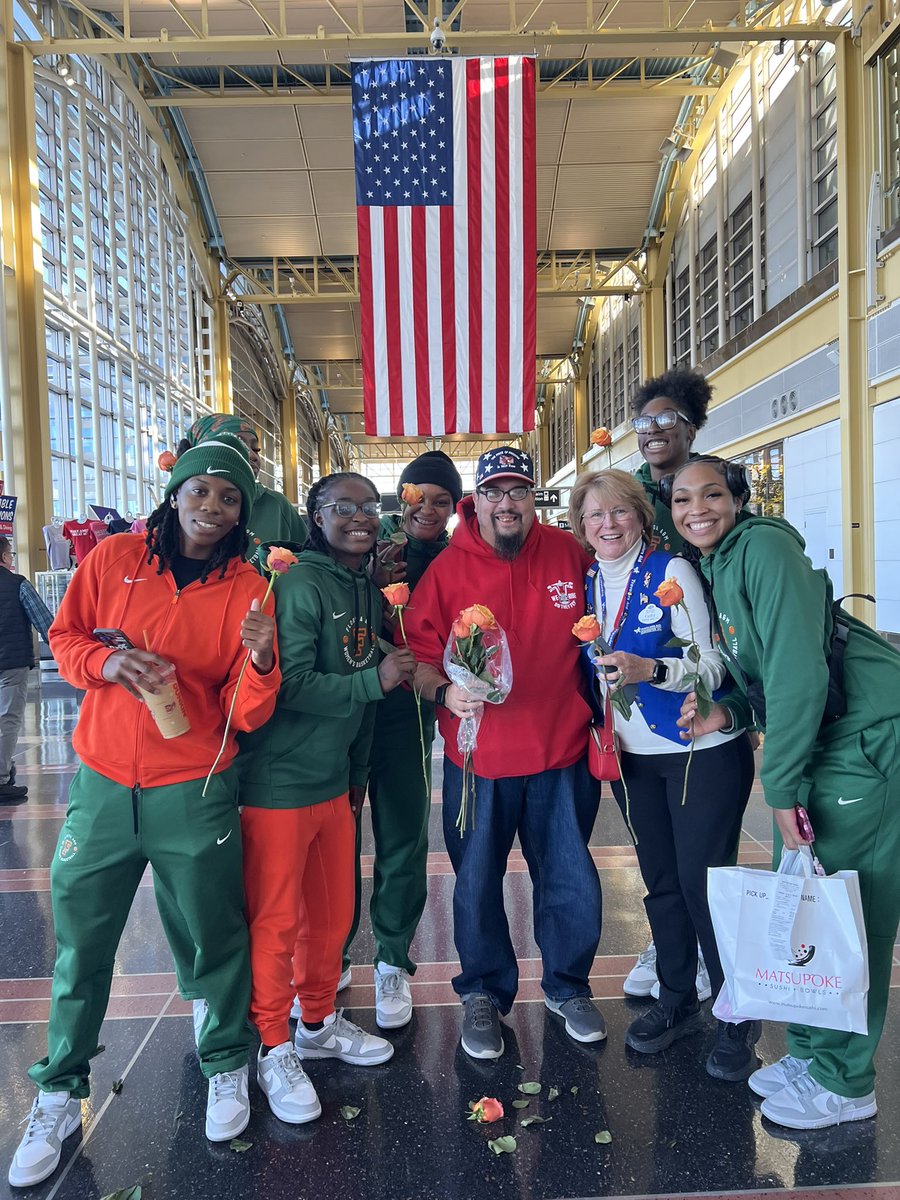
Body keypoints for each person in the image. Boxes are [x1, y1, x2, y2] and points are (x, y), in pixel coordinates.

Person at [8, 435, 280, 1188]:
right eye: (201, 493)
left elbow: (247, 714)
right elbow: (63, 639)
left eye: (229, 498)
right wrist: (106, 663)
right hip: (102, 785)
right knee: (81, 944)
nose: (213, 509)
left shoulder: (253, 589)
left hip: (193, 787)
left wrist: (260, 661)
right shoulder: (113, 560)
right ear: (176, 493)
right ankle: (60, 1087)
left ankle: (226, 1060)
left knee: (215, 931)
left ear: (241, 510)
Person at [668, 455, 900, 1129]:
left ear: (737, 500)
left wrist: (781, 785)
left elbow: (800, 675)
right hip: (825, 744)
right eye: (683, 499)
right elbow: (763, 679)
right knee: (808, 905)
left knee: (853, 912)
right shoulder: (718, 566)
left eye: (712, 493)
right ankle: (809, 1051)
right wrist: (727, 713)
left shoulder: (764, 548)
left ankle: (848, 1082)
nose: (697, 508)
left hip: (866, 742)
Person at [404, 447, 604, 1059]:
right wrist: (444, 689)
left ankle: (568, 986)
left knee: (569, 880)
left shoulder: (570, 554)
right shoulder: (447, 569)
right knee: (476, 885)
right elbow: (417, 653)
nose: (507, 502)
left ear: (531, 498)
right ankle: (483, 996)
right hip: (478, 762)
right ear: (477, 502)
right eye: (494, 492)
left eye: (518, 490)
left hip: (560, 751)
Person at [236, 472, 417, 1125]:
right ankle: (274, 1045)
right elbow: (291, 685)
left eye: (371, 507)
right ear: (316, 514)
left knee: (333, 917)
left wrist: (358, 775)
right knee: (278, 922)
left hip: (334, 785)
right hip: (280, 785)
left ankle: (316, 1022)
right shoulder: (300, 584)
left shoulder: (365, 590)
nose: (362, 517)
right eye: (344, 507)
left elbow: (364, 708)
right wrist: (378, 679)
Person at [569, 469, 758, 1079]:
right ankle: (676, 997)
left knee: (705, 888)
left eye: (619, 512)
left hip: (697, 752)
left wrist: (651, 670)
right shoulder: (591, 580)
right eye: (595, 516)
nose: (608, 525)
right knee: (662, 882)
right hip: (633, 759)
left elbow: (711, 663)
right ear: (582, 527)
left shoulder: (671, 573)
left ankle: (737, 1016)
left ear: (641, 517)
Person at [343, 449, 463, 1029]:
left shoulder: (459, 559)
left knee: (401, 840)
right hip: (344, 713)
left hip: (405, 717)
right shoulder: (367, 547)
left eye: (441, 500)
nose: (429, 508)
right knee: (336, 844)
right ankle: (332, 955)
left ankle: (392, 959)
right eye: (418, 496)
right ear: (402, 498)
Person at [624, 367, 714, 1000]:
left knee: (699, 856)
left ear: (691, 426)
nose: (654, 431)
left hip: (703, 677)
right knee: (660, 859)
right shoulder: (632, 493)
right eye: (644, 421)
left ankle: (712, 954)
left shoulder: (711, 487)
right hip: (642, 714)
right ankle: (671, 943)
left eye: (666, 420)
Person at [176, 413, 307, 572]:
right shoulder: (172, 521)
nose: (252, 456)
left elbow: (308, 562)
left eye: (256, 449)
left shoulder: (277, 506)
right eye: (238, 446)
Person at [0, 538, 54, 802]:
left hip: (10, 660)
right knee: (6, 720)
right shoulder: (18, 584)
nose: (12, 558)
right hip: (12, 663)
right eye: (10, 554)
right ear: (3, 557)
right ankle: (0, 779)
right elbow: (45, 622)